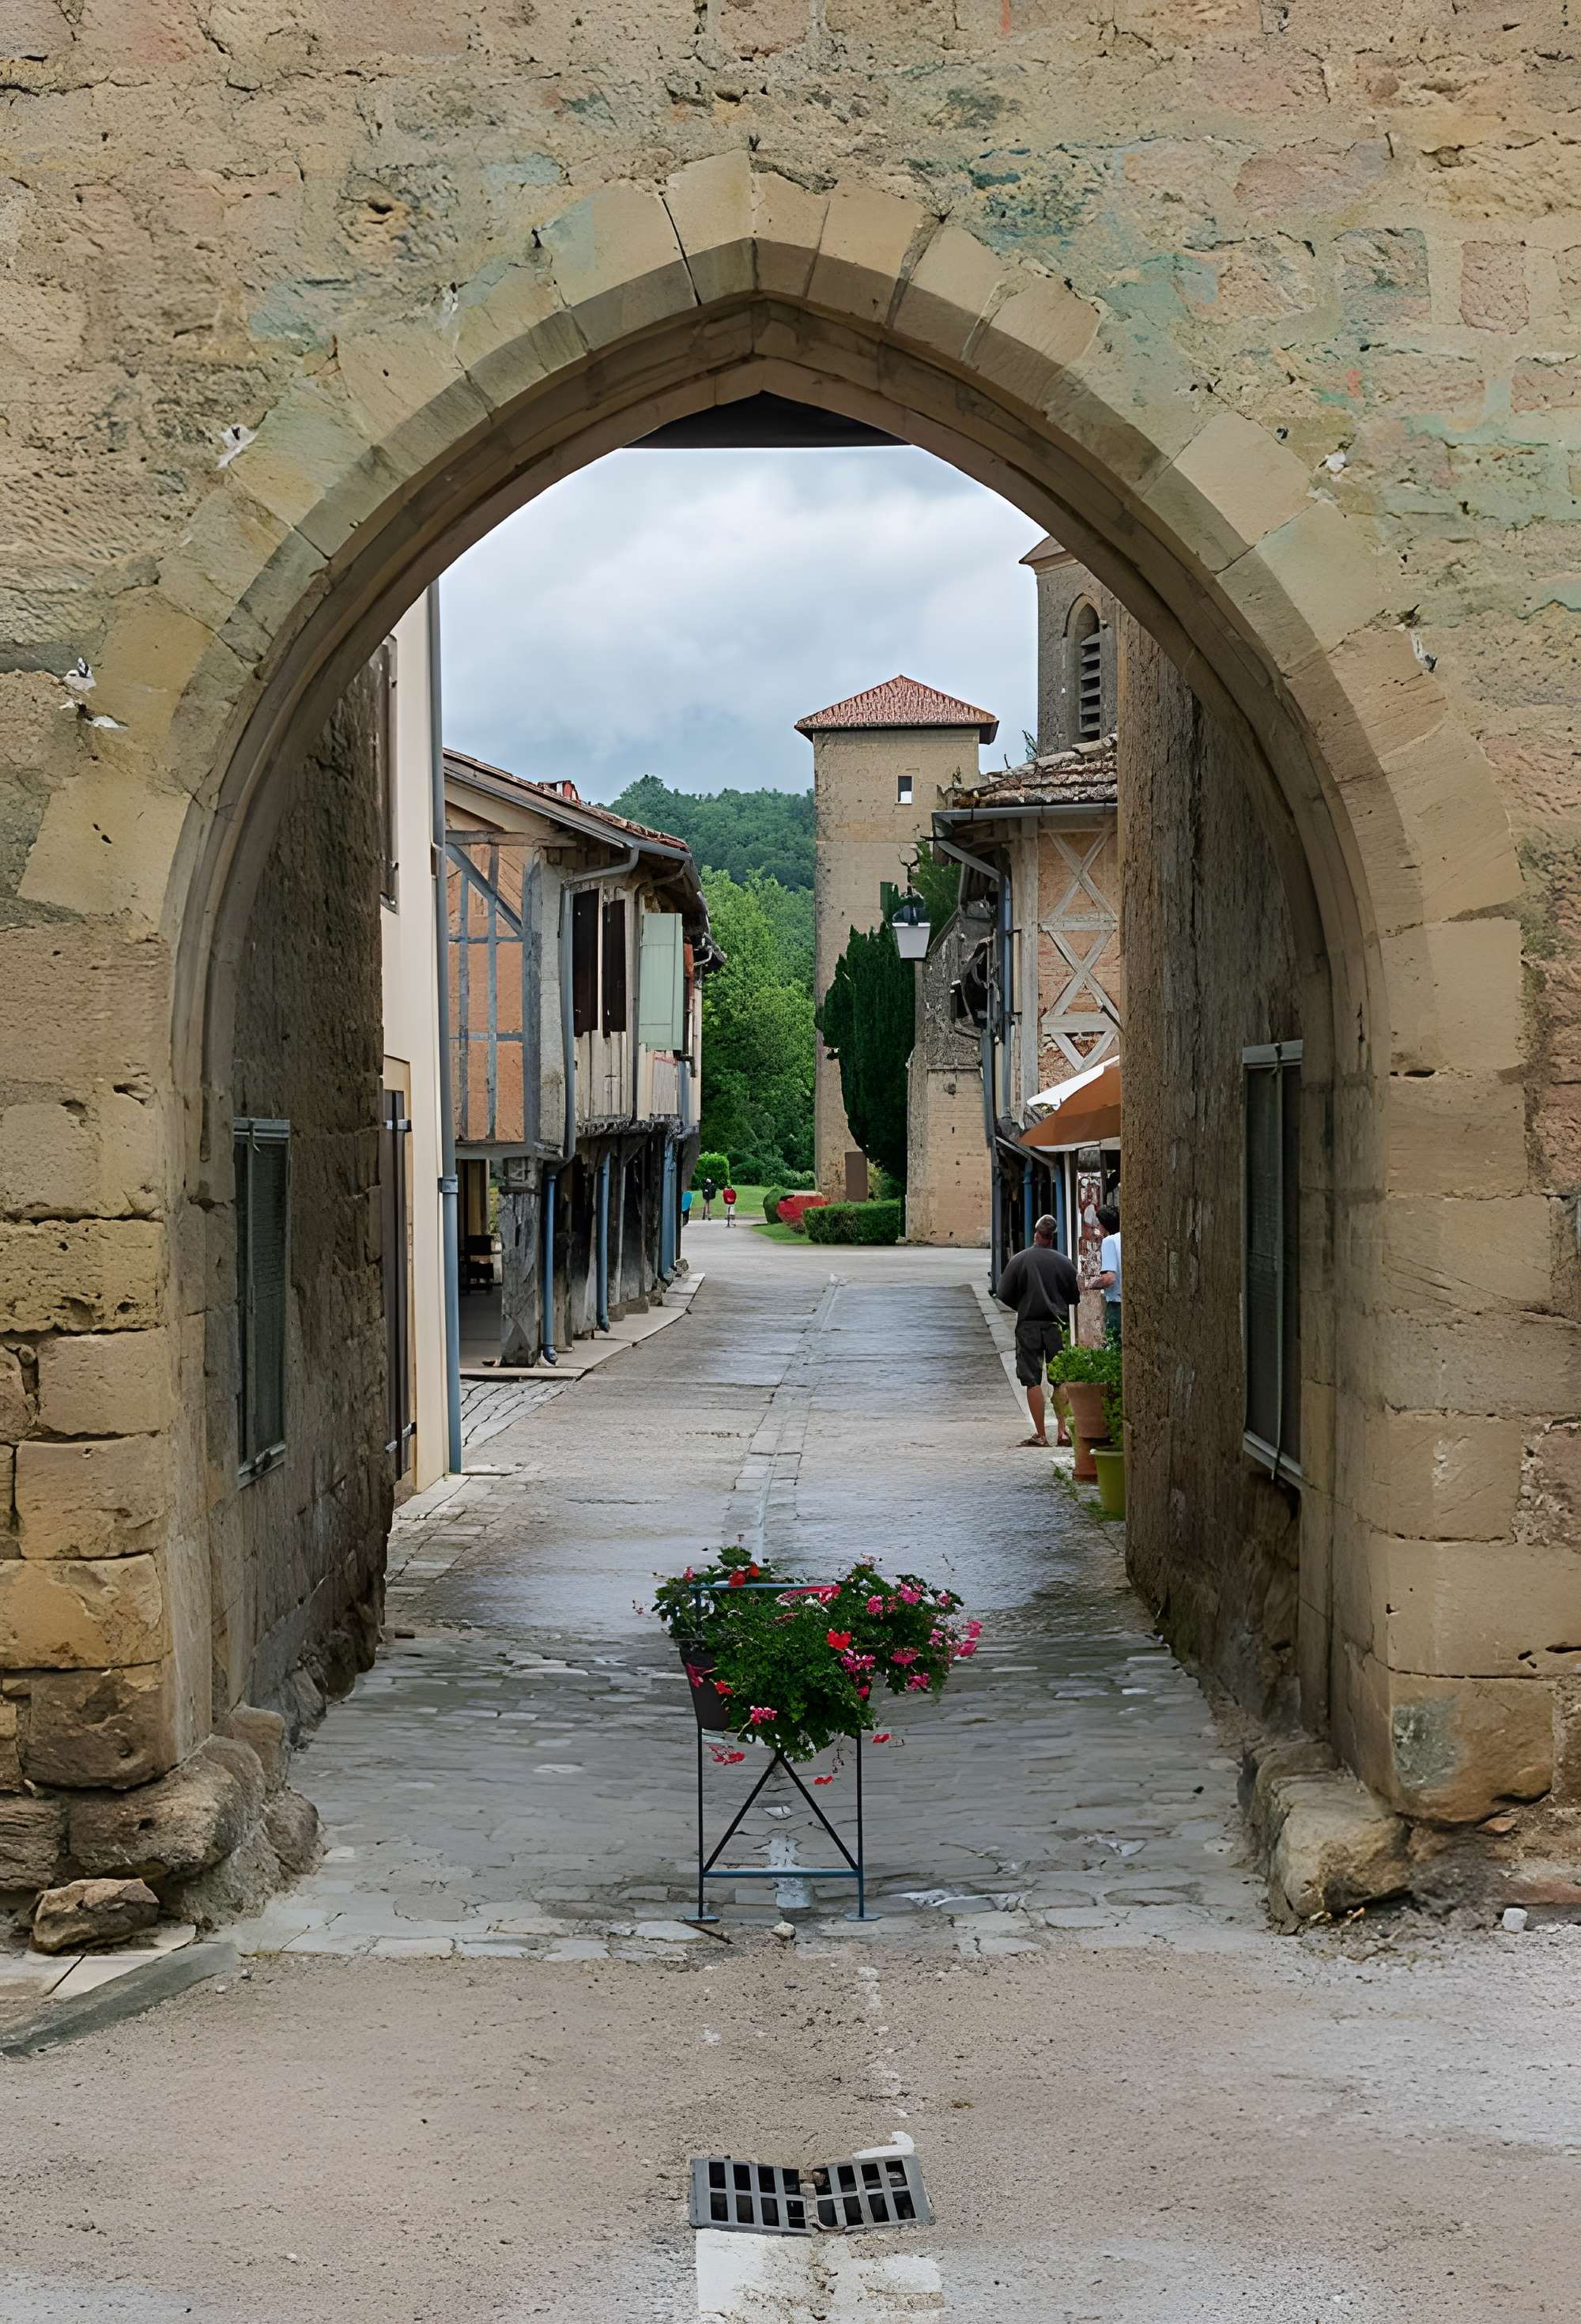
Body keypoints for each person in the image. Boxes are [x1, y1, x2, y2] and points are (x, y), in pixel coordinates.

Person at [994, 1214, 1081, 1448]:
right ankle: (1063, 1432)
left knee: (1031, 1379)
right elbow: (1075, 1296)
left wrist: (1023, 1305)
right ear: (1053, 1237)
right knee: (1060, 1379)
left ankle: (1041, 1435)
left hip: (1028, 1325)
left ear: (1036, 1234)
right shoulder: (1065, 1263)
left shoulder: (1020, 1260)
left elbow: (1003, 1294)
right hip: (1057, 1325)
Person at [1095, 1203, 1122, 1346]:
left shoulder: (1109, 1241)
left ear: (1104, 1225)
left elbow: (1109, 1278)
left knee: (1113, 1346)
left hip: (1116, 1304)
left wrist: (1090, 1285)